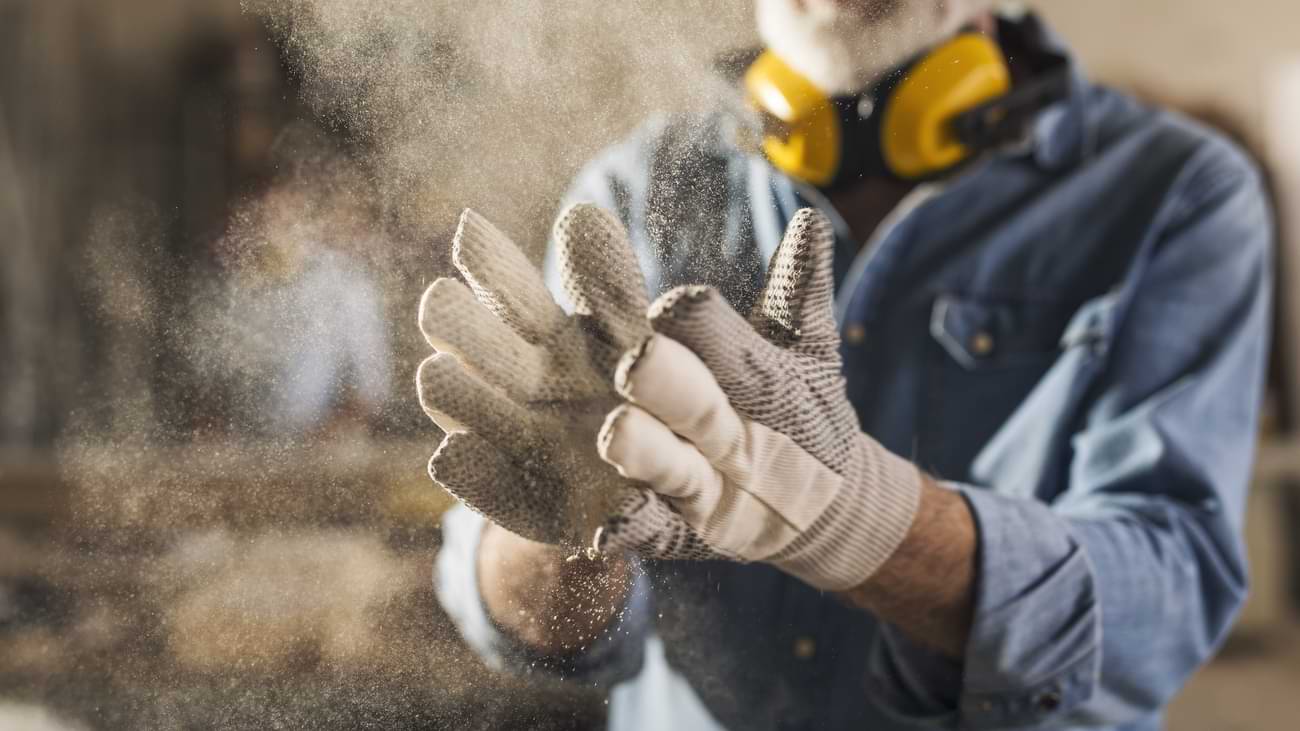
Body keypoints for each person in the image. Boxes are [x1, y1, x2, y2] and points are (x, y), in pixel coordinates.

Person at [425, 1, 1273, 729]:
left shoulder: (1174, 193)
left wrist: (860, 520)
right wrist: (562, 535)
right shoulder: (639, 187)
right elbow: (517, 614)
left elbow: (1164, 605)